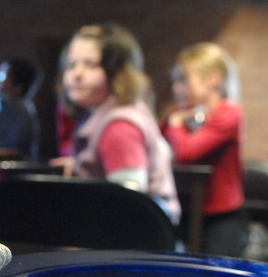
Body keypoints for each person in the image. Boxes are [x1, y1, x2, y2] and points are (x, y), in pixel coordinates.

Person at [54, 23, 180, 225]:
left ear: (118, 72)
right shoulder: (103, 113)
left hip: (138, 242)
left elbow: (127, 203)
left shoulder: (120, 126)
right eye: (71, 65)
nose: (76, 74)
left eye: (91, 64)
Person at [162, 42, 247, 257]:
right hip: (187, 212)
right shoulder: (183, 113)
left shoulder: (229, 112)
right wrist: (173, 121)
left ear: (213, 79)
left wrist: (175, 124)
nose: (176, 88)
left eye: (183, 79)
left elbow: (186, 153)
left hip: (220, 217)